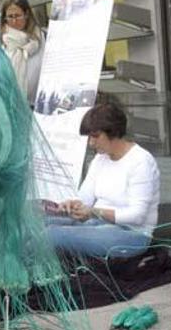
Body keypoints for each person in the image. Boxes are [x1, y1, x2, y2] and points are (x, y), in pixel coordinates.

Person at [46, 103, 160, 258]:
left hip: (132, 234)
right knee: (39, 224)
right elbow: (85, 198)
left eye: (96, 136)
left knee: (52, 235)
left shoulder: (141, 162)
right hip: (98, 224)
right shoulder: (100, 158)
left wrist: (94, 212)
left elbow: (137, 216)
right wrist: (73, 204)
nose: (91, 143)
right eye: (89, 137)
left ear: (113, 132)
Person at [1, 0, 45, 105]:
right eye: (10, 17)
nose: (14, 21)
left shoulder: (41, 38)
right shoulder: (2, 44)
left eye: (18, 16)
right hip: (12, 107)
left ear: (26, 14)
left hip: (40, 105)